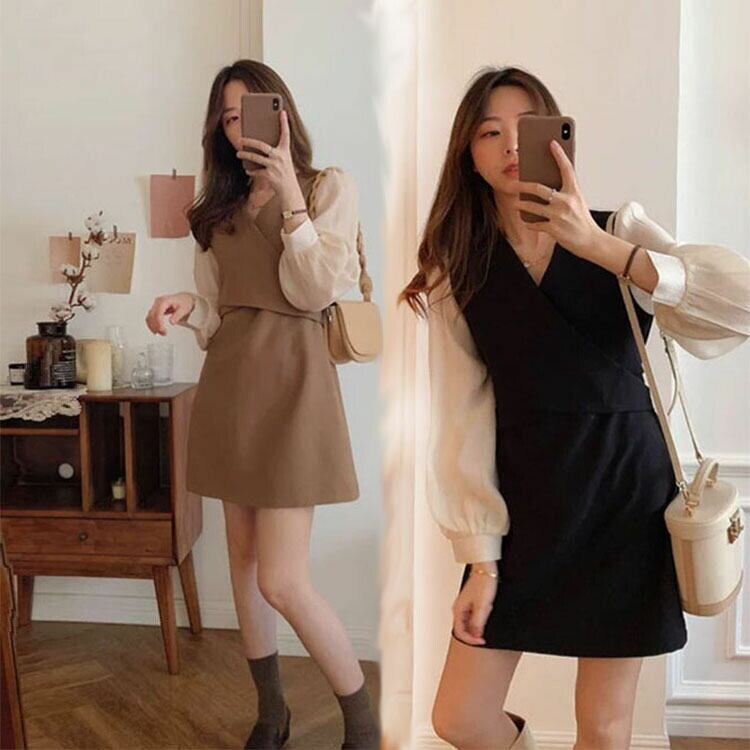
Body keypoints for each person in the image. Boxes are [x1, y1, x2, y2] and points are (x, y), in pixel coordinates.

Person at [399, 65, 750, 750]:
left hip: (625, 495)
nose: (509, 145)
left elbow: (737, 303)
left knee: (605, 724)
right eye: (489, 132)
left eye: (525, 128)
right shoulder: (456, 266)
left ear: (558, 138)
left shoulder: (618, 228)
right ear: (467, 154)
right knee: (459, 717)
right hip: (525, 500)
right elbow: (462, 417)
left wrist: (600, 246)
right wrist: (481, 560)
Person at [146, 59, 379, 750]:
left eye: (252, 110)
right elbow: (219, 311)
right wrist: (187, 306)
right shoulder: (215, 211)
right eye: (228, 116)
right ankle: (271, 715)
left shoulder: (328, 186)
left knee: (282, 579)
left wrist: (292, 201)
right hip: (230, 388)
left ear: (283, 113)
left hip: (294, 387)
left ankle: (364, 726)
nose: (239, 125)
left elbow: (316, 291)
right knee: (244, 571)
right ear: (218, 131)